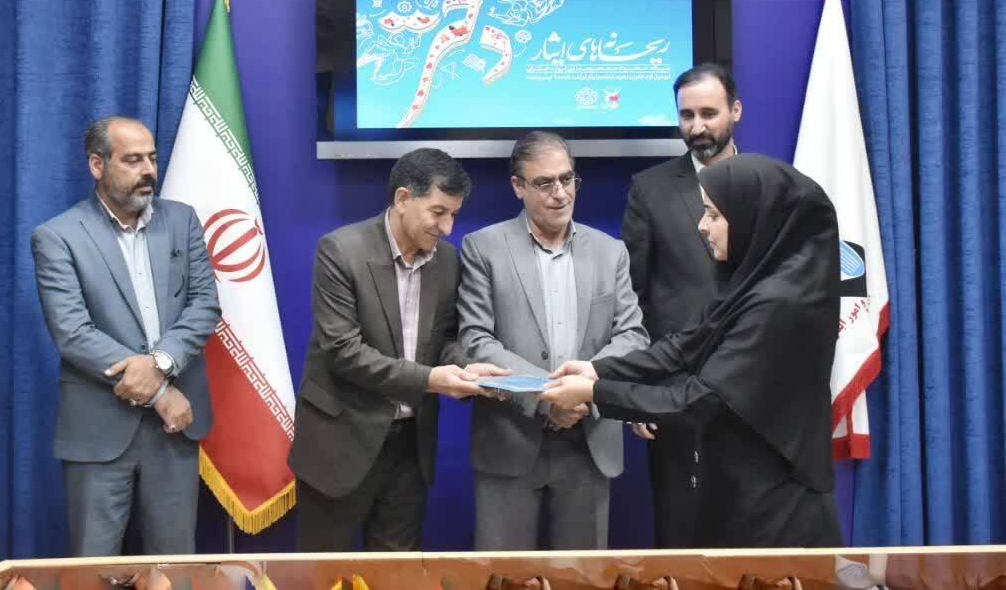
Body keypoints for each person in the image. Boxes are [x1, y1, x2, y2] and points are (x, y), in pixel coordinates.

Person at [541, 154, 844, 548]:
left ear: (753, 217)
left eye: (714, 215)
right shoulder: (750, 282)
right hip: (738, 493)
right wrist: (598, 370)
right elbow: (685, 346)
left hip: (778, 511)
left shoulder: (778, 305)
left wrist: (593, 392)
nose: (701, 226)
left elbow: (695, 401)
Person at [288, 148, 508, 552]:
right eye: (438, 212)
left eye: (454, 214)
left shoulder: (447, 260)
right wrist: (431, 380)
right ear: (403, 198)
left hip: (410, 448)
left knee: (396, 570)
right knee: (324, 571)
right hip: (340, 441)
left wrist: (467, 368)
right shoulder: (340, 250)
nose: (447, 227)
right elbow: (343, 351)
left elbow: (445, 339)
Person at [31, 116, 219, 556]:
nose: (148, 170)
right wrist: (160, 393)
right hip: (99, 431)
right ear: (97, 165)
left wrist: (161, 364)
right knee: (94, 572)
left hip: (174, 433)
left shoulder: (182, 221)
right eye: (132, 160)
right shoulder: (58, 236)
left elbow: (205, 304)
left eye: (151, 158)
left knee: (174, 571)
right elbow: (73, 333)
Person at [458, 131, 649, 551]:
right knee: (504, 576)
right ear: (518, 186)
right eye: (545, 183)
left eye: (567, 179)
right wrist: (549, 398)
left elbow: (633, 336)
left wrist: (583, 392)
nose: (560, 193)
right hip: (510, 438)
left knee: (581, 576)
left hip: (589, 437)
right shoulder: (483, 248)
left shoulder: (610, 251)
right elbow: (476, 340)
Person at [619, 62, 740, 546]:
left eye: (709, 113)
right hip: (676, 393)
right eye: (687, 115)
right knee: (680, 530)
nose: (697, 127)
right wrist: (639, 390)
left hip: (754, 395)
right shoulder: (650, 189)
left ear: (735, 110)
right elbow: (631, 300)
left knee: (753, 537)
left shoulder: (774, 182)